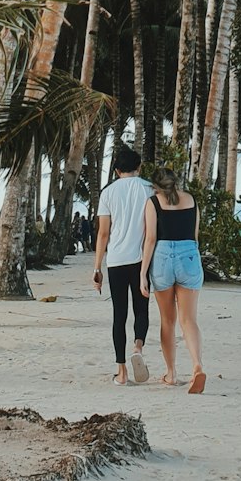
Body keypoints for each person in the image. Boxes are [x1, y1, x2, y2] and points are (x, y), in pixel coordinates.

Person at [140, 165, 206, 394]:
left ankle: (171, 373)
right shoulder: (191, 200)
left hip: (162, 257)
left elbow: (150, 239)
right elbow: (195, 235)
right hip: (189, 254)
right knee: (189, 320)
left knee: (168, 321)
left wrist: (142, 273)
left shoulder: (153, 202)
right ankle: (197, 365)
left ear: (155, 186)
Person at [94, 145, 153, 385]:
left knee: (119, 315)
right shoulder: (150, 189)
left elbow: (103, 234)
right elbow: (153, 229)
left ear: (117, 170)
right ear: (139, 167)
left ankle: (122, 372)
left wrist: (97, 267)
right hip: (142, 260)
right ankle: (138, 348)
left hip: (116, 261)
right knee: (142, 309)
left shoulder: (108, 192)